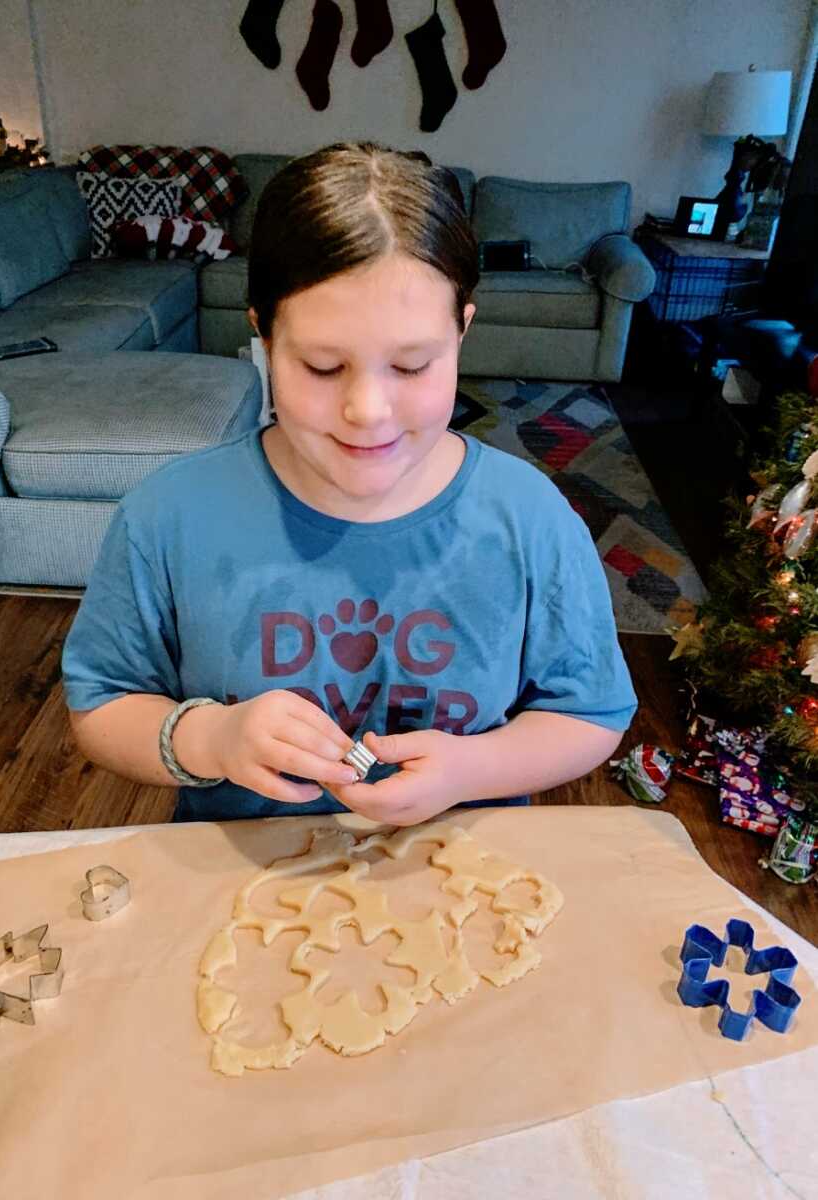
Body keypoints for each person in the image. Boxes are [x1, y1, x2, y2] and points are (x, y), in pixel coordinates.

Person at [62, 141, 637, 826]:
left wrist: (472, 769)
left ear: (462, 333)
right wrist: (210, 738)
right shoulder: (168, 516)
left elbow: (590, 713)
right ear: (264, 339)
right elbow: (101, 706)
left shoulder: (531, 519)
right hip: (240, 890)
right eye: (323, 367)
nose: (368, 411)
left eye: (414, 365)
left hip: (462, 885)